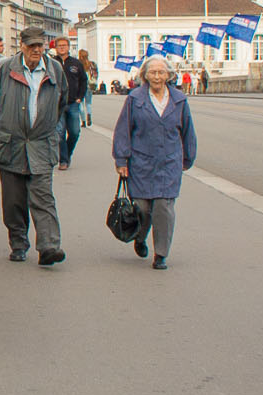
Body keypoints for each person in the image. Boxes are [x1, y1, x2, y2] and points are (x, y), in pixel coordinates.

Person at [0, 27, 67, 266]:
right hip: (10, 144)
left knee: (43, 197)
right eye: (32, 46)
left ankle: (49, 246)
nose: (36, 50)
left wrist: (51, 127)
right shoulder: (6, 68)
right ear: (21, 46)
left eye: (40, 46)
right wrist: (2, 129)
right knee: (14, 200)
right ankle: (19, 243)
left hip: (41, 143)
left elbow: (62, 101)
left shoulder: (54, 70)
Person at [112, 56, 197, 270]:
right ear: (145, 75)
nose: (157, 77)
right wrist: (121, 159)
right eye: (153, 73)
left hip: (169, 162)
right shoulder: (135, 98)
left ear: (168, 75)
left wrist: (188, 157)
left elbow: (188, 131)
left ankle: (161, 253)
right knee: (142, 208)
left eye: (161, 73)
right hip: (141, 162)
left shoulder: (179, 100)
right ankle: (140, 237)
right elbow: (123, 130)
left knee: (163, 208)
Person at [52, 37, 85, 169]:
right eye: (59, 45)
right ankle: (63, 161)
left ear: (68, 47)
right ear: (56, 47)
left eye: (64, 45)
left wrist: (80, 97)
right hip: (57, 103)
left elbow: (83, 81)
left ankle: (68, 153)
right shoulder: (52, 63)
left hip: (73, 103)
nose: (62, 48)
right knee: (59, 133)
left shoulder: (76, 63)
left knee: (75, 132)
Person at [75, 50, 96, 127]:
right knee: (88, 103)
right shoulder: (92, 64)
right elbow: (96, 74)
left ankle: (83, 121)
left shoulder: (78, 64)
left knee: (80, 103)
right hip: (89, 86)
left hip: (80, 86)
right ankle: (89, 115)